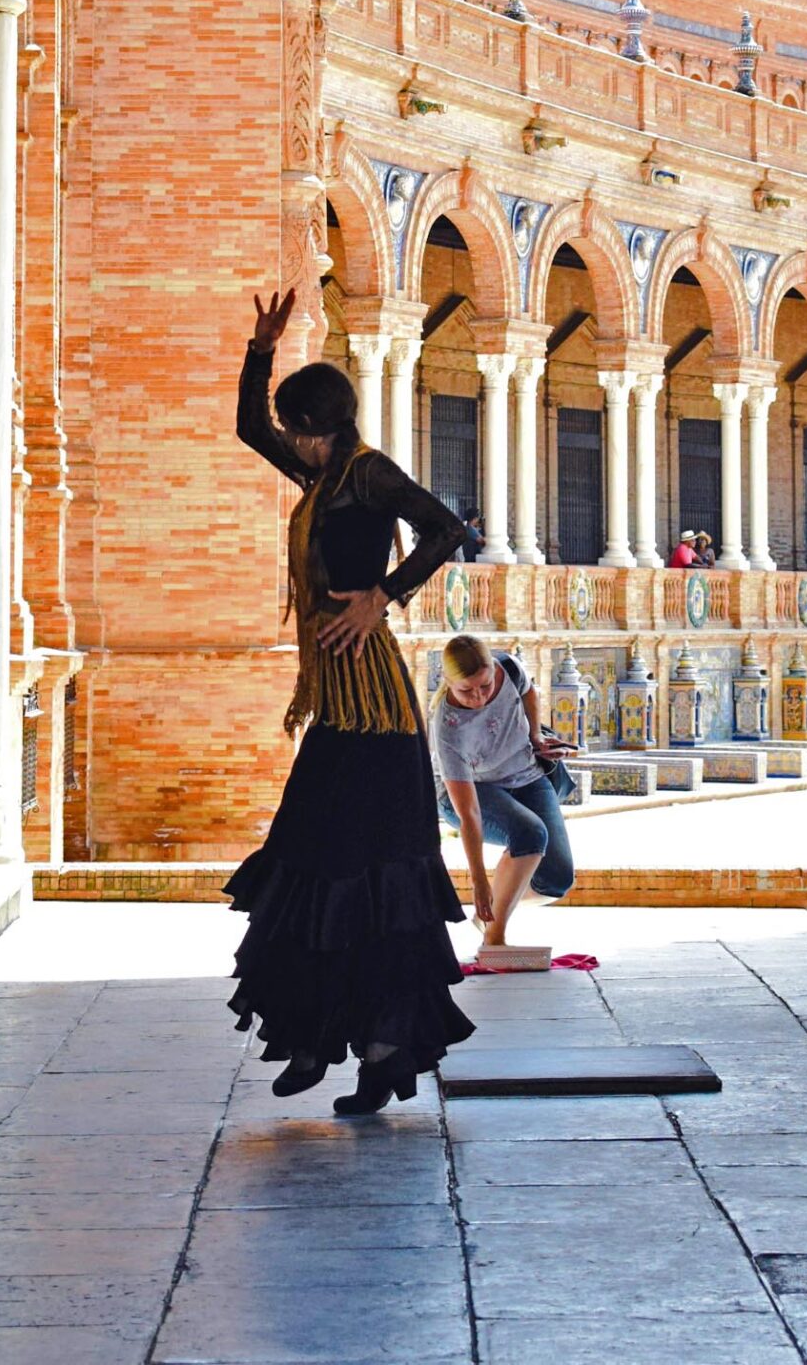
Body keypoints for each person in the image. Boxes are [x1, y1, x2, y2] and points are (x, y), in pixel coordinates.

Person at [227, 287, 475, 1118]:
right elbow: (248, 430)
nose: (289, 438)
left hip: (375, 705)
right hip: (337, 702)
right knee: (309, 862)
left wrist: (383, 594)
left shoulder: (365, 474)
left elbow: (447, 528)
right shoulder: (321, 471)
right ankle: (310, 1034)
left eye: (297, 424)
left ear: (320, 424)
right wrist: (261, 350)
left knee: (377, 878)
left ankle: (376, 1055)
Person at [432, 633, 576, 947]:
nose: (479, 698)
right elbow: (468, 813)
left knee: (557, 880)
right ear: (447, 681)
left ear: (494, 669)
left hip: (525, 776)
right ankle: (494, 938)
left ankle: (492, 910)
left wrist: (536, 736)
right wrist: (479, 882)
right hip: (474, 791)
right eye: (466, 690)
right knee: (530, 834)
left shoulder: (508, 667)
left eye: (485, 686)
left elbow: (529, 693)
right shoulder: (448, 727)